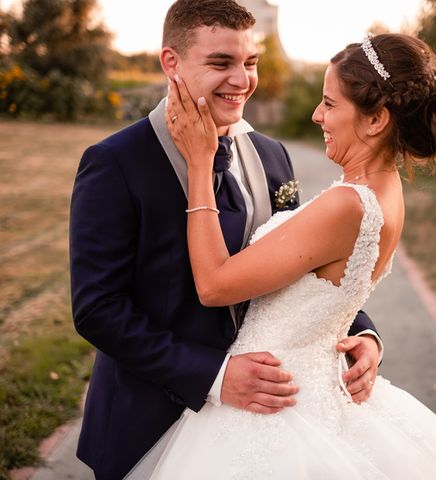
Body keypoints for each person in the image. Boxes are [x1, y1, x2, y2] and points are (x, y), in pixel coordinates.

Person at [125, 30, 436, 479]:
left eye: (329, 104)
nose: (316, 115)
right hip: (313, 392)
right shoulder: (385, 193)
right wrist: (367, 337)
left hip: (275, 408)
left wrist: (199, 164)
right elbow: (327, 288)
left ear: (376, 120)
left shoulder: (347, 204)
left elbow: (214, 285)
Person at [69, 1, 382, 478]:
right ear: (171, 62)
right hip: (148, 422)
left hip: (265, 429)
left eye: (250, 63)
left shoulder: (271, 155)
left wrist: (361, 331)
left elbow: (303, 261)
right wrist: (213, 376)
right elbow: (98, 308)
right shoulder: (116, 162)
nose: (242, 80)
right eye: (221, 63)